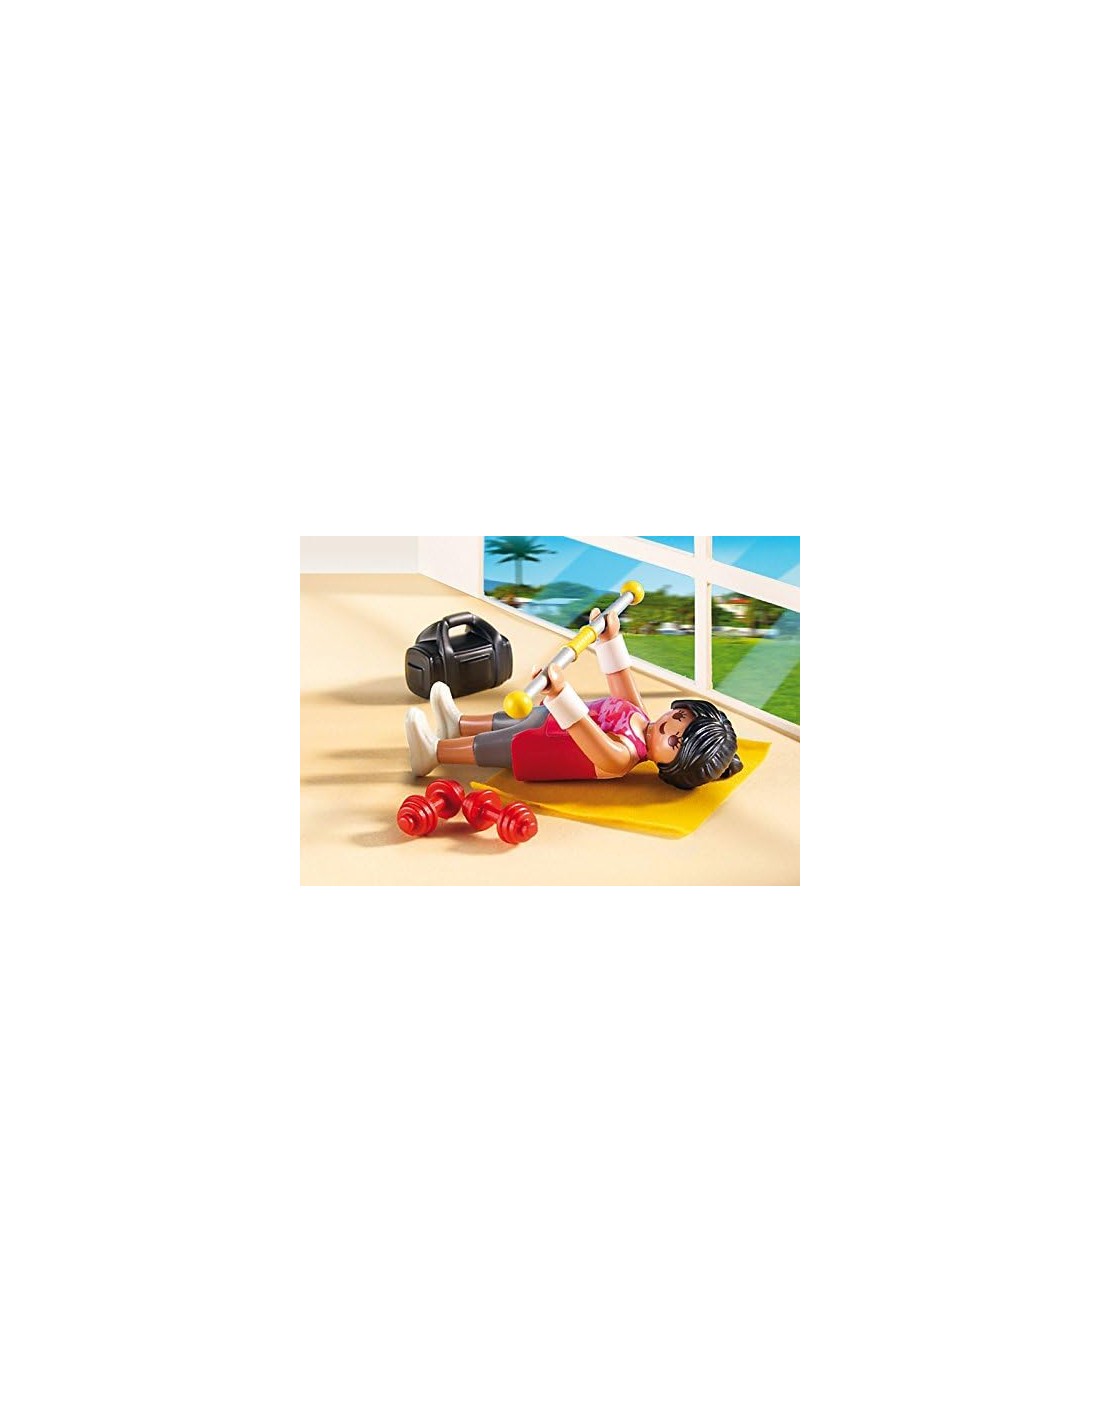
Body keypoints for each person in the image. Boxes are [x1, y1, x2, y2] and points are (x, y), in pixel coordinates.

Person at [404, 607, 743, 791]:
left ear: (671, 766)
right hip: (550, 720)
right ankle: (458, 724)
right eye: (680, 718)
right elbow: (620, 677)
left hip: (547, 746)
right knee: (506, 720)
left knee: (496, 744)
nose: (670, 727)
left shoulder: (623, 756)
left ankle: (435, 752)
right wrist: (610, 640)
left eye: (675, 742)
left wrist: (560, 693)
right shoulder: (641, 719)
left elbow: (584, 729)